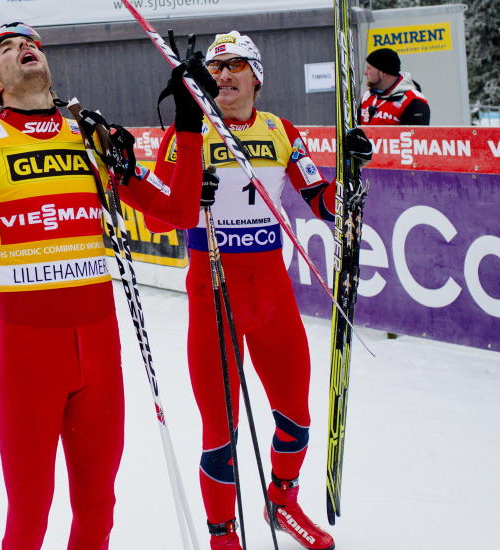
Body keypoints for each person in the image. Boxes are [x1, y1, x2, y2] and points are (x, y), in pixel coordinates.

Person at [0, 21, 212, 550]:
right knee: (30, 516)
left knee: (98, 510)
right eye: (6, 48)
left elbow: (178, 212)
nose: (23, 47)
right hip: (30, 355)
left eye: (29, 43)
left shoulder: (92, 136)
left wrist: (189, 124)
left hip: (99, 350)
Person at [146, 31, 372, 550]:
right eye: (217, 67)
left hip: (271, 293)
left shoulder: (282, 131)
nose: (223, 75)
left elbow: (325, 204)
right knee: (219, 429)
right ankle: (223, 535)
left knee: (296, 415)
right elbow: (158, 210)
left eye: (235, 66)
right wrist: (187, 187)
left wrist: (354, 176)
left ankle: (283, 502)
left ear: (257, 78)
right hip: (213, 291)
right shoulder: (191, 130)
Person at [359, 47, 430, 125]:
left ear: (383, 73)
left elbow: (416, 135)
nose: (365, 72)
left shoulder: (413, 101)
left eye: (369, 68)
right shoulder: (367, 95)